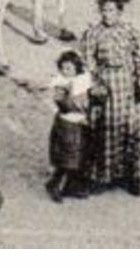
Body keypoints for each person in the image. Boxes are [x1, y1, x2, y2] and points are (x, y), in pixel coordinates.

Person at [81, 0, 140, 195]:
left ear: (119, 11)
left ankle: (132, 177)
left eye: (111, 10)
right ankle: (104, 176)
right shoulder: (93, 33)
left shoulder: (130, 31)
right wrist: (94, 85)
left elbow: (139, 58)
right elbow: (87, 61)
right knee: (105, 130)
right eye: (104, 10)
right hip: (105, 85)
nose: (107, 14)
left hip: (126, 84)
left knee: (131, 130)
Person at [47, 50, 92, 201]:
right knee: (66, 158)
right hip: (67, 124)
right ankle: (55, 185)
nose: (65, 72)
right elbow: (64, 105)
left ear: (76, 69)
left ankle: (70, 187)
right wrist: (80, 103)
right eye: (63, 68)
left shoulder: (82, 81)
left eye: (69, 69)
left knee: (77, 156)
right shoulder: (62, 85)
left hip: (78, 125)